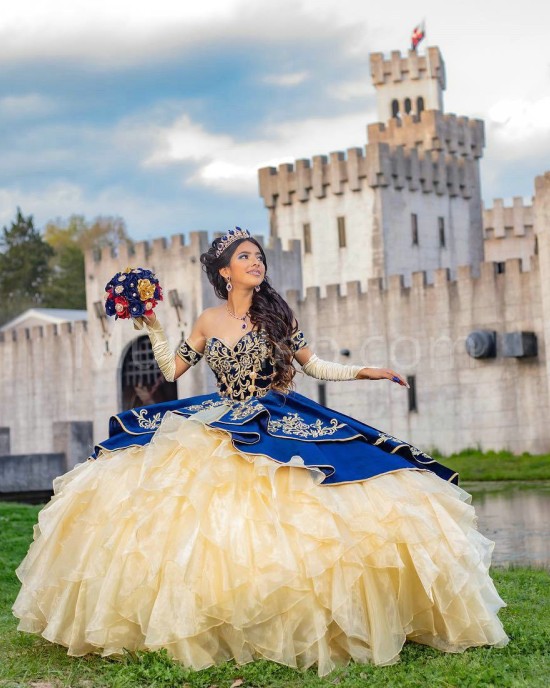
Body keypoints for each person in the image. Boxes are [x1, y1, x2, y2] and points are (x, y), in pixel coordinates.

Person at [13, 227, 509, 677]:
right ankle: (219, 618)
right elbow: (170, 373)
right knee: (209, 524)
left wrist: (366, 371)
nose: (256, 263)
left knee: (338, 488)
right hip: (222, 419)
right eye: (245, 257)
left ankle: (313, 616)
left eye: (259, 256)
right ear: (225, 271)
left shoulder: (278, 315)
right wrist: (153, 324)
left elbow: (315, 367)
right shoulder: (207, 321)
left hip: (278, 416)